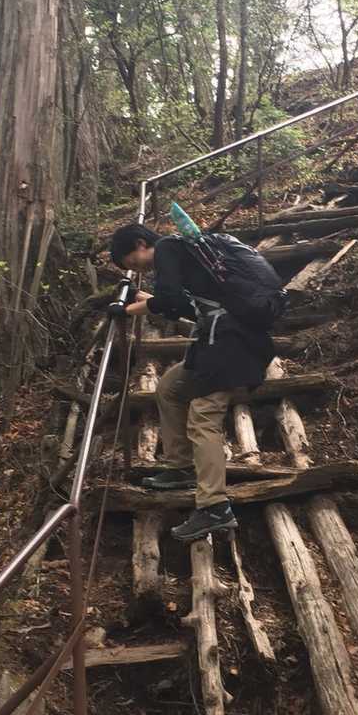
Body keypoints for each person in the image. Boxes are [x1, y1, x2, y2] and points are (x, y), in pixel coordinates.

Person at [108, 221, 284, 543]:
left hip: (230, 344)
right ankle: (181, 467)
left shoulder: (167, 248)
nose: (139, 269)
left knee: (204, 416)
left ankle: (215, 507)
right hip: (218, 342)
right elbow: (183, 305)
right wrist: (142, 299)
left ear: (140, 244)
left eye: (133, 262)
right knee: (169, 389)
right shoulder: (187, 255)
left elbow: (169, 300)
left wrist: (127, 310)